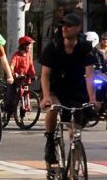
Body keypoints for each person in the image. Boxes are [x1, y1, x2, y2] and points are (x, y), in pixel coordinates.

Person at [40, 13, 99, 164]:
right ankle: (50, 141)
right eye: (63, 25)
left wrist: (92, 99)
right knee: (53, 108)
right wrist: (46, 97)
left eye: (69, 25)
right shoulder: (53, 46)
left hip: (76, 90)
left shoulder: (85, 47)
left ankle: (75, 172)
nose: (65, 28)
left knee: (75, 134)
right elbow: (45, 75)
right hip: (55, 88)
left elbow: (90, 74)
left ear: (78, 28)